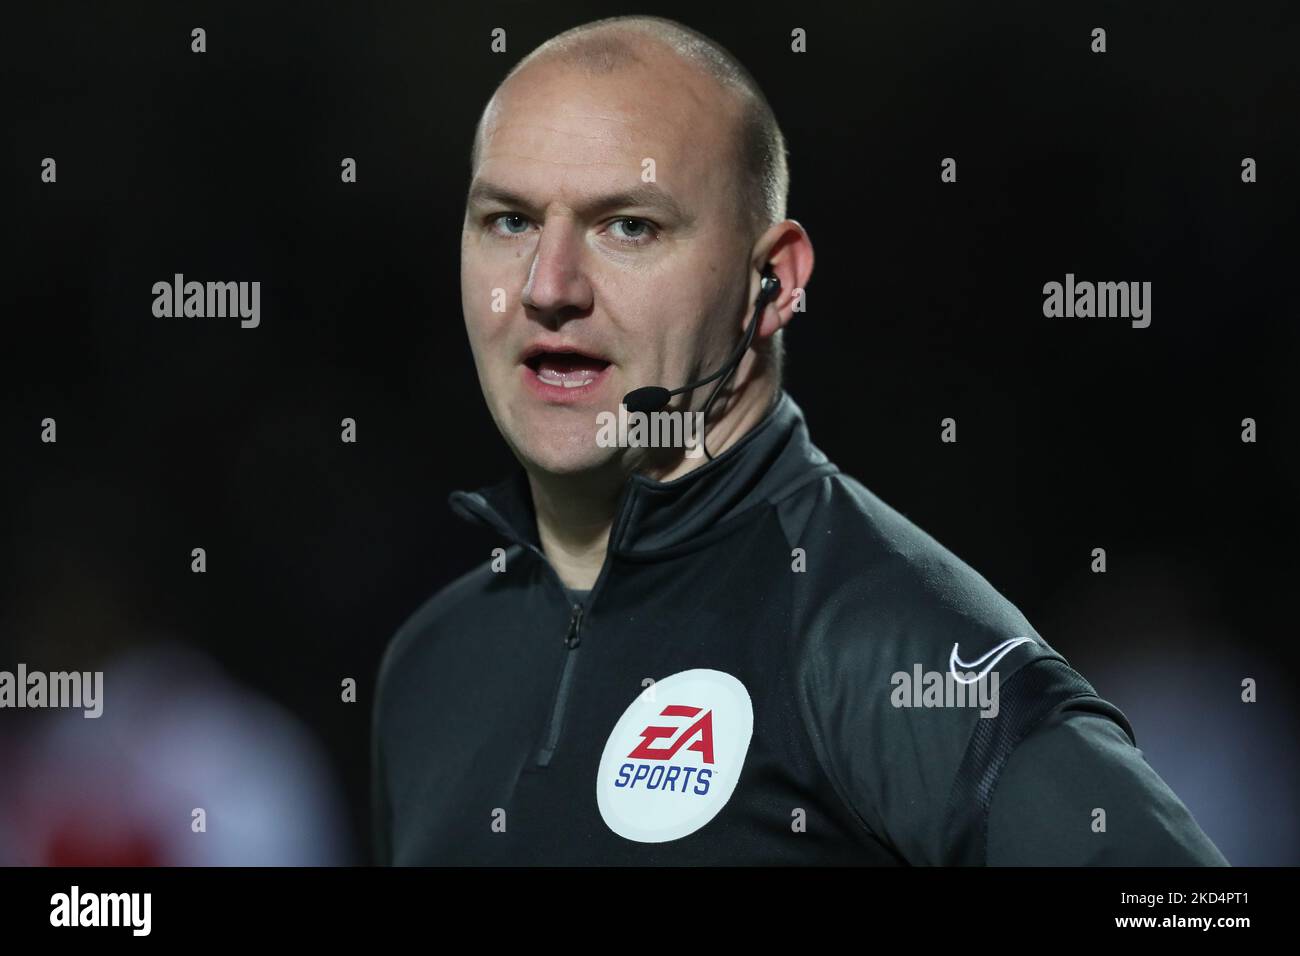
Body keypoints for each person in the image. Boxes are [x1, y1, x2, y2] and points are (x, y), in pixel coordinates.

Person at [371, 14, 1227, 865]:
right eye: (509, 221)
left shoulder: (883, 646)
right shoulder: (429, 664)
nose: (546, 286)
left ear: (773, 282)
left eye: (628, 225)